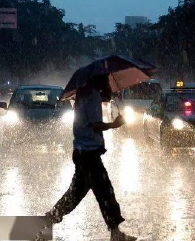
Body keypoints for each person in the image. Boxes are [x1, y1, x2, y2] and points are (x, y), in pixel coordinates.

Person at [45, 74, 136, 241]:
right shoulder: (92, 95)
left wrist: (107, 93)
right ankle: (116, 234)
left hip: (82, 152)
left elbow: (92, 111)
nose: (108, 82)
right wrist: (115, 124)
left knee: (76, 194)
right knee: (104, 192)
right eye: (106, 79)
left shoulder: (83, 93)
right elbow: (96, 125)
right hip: (89, 154)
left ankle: (46, 222)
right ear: (99, 79)